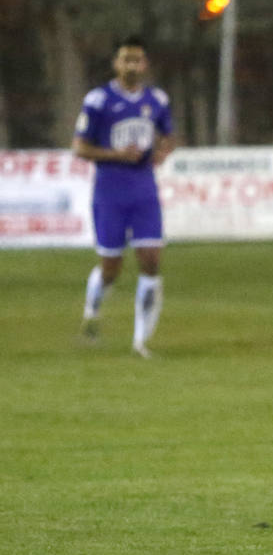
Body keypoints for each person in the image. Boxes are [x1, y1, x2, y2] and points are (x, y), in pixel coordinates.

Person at [72, 34, 176, 358]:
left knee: (151, 261)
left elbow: (168, 136)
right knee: (111, 266)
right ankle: (92, 311)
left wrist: (162, 152)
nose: (132, 65)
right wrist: (117, 155)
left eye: (137, 60)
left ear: (144, 64)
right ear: (116, 64)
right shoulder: (98, 100)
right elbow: (79, 146)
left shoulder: (157, 99)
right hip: (109, 192)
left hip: (144, 190)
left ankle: (140, 341)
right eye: (125, 59)